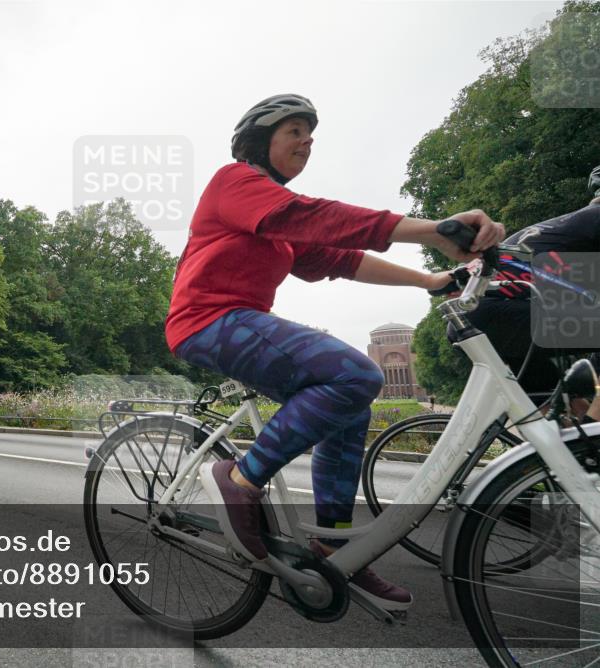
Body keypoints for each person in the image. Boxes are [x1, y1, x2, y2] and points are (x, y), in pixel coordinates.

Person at [165, 94, 505, 610]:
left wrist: (431, 280)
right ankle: (238, 477)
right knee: (355, 375)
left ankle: (331, 543)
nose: (307, 141)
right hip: (207, 321)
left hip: (243, 323)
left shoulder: (275, 221)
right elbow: (315, 217)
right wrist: (433, 230)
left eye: (310, 134)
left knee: (350, 405)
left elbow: (344, 260)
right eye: (294, 130)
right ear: (261, 140)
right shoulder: (233, 183)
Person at [464, 164, 600, 422]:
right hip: (499, 312)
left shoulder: (572, 223)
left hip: (478, 316)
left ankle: (566, 452)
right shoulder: (594, 220)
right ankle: (592, 433)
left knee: (561, 419)